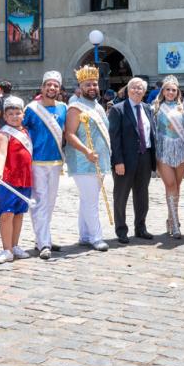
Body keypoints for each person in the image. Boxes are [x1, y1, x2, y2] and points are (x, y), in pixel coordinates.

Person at [64, 64, 111, 251]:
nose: (92, 88)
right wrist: (86, 151)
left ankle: (85, 234)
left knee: (87, 199)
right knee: (91, 200)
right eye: (87, 85)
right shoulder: (75, 108)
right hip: (83, 161)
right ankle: (96, 237)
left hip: (100, 160)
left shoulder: (97, 106)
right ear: (80, 87)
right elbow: (70, 134)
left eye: (94, 84)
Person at [23, 71, 68, 260]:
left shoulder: (64, 108)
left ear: (59, 89)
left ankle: (42, 237)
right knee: (39, 202)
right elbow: (21, 130)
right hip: (37, 162)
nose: (51, 88)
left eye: (55, 85)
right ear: (42, 87)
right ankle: (43, 243)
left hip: (56, 161)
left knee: (49, 202)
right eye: (48, 85)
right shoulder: (32, 109)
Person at [108, 77, 157, 243]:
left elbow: (151, 133)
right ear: (128, 90)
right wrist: (118, 161)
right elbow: (114, 138)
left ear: (144, 92)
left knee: (142, 195)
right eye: (134, 88)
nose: (137, 90)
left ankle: (140, 228)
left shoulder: (147, 108)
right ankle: (121, 230)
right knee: (121, 195)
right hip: (125, 160)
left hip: (145, 157)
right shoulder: (118, 109)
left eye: (140, 88)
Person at [0, 96, 32, 264]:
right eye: (11, 114)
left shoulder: (25, 132)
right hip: (8, 178)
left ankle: (15, 245)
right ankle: (6, 249)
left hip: (25, 178)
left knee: (19, 213)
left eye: (18, 113)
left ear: (23, 115)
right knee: (7, 214)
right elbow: (1, 153)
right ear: (5, 117)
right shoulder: (3, 134)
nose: (15, 116)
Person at [153, 75, 184, 239]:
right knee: (170, 183)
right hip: (163, 149)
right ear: (163, 91)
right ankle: (175, 224)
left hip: (180, 149)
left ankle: (171, 218)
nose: (170, 92)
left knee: (176, 186)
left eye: (173, 90)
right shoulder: (155, 108)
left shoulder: (183, 108)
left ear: (177, 92)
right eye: (167, 89)